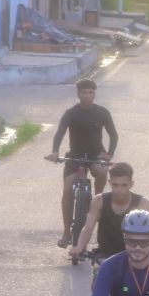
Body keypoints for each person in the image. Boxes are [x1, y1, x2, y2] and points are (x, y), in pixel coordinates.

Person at [46, 80, 118, 249]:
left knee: (102, 173)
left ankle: (97, 200)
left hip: (96, 154)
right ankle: (66, 232)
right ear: (78, 94)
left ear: (95, 94)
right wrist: (55, 151)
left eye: (91, 93)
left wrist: (109, 154)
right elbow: (59, 133)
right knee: (67, 190)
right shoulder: (70, 113)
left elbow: (113, 135)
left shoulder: (102, 112)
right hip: (75, 156)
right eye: (84, 92)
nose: (88, 96)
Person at [68, 162, 149, 260]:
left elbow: (147, 233)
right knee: (99, 272)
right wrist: (80, 246)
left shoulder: (142, 203)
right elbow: (88, 227)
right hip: (104, 254)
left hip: (132, 255)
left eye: (124, 185)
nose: (119, 189)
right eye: (115, 185)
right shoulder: (99, 201)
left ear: (131, 184)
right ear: (110, 182)